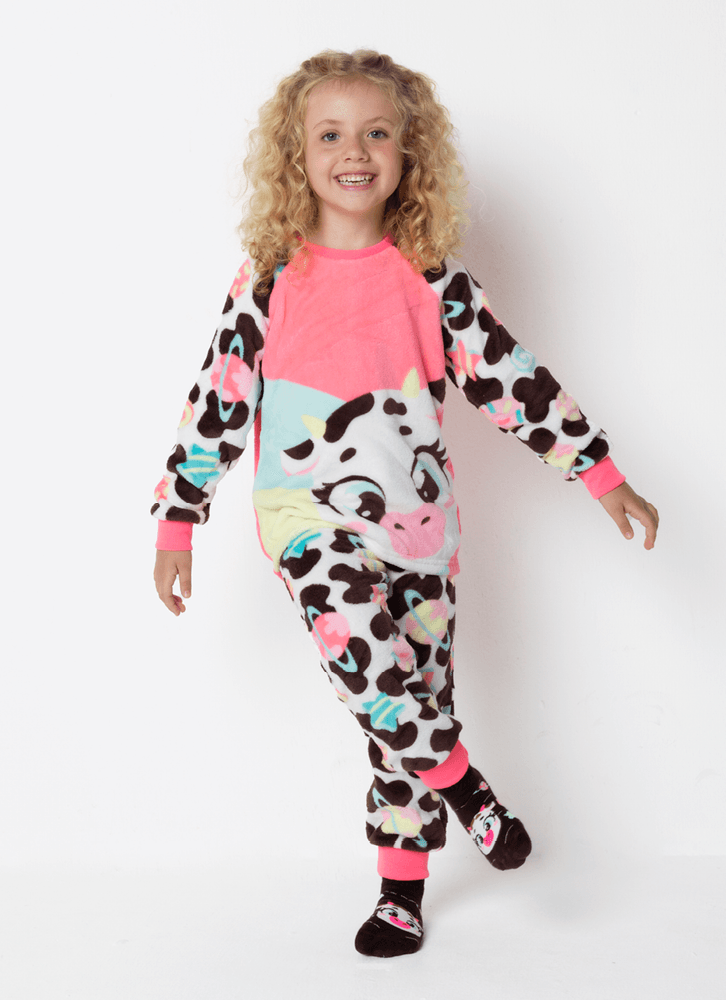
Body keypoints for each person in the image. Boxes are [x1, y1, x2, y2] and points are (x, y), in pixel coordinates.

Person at [151, 50, 659, 958]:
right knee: (367, 665)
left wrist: (599, 472)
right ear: (295, 155)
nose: (355, 151)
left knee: (412, 698)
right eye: (331, 134)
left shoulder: (433, 281)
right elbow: (218, 398)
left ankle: (401, 895)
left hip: (421, 530)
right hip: (306, 518)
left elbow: (512, 380)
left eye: (377, 132)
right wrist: (179, 518)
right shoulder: (269, 278)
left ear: (409, 153)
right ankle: (466, 786)